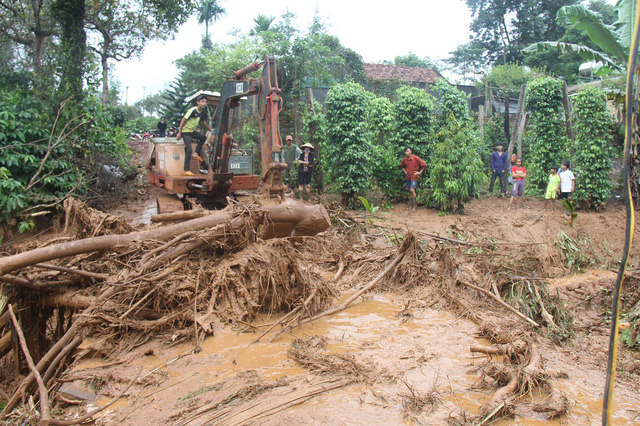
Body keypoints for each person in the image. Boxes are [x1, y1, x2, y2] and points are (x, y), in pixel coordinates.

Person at [176, 94, 212, 176]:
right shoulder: (192, 110)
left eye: (205, 102)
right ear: (198, 102)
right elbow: (183, 120)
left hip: (192, 131)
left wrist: (210, 129)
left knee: (203, 138)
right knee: (188, 150)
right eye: (202, 102)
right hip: (186, 132)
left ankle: (196, 153)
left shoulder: (202, 112)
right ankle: (186, 170)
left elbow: (203, 123)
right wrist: (180, 133)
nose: (204, 103)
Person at [400, 147, 427, 211]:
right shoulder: (404, 160)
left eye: (408, 151)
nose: (407, 152)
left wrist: (419, 172)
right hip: (408, 177)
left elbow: (424, 164)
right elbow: (402, 166)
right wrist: (405, 172)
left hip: (414, 177)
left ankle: (415, 205)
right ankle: (411, 204)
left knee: (412, 190)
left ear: (411, 151)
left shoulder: (416, 158)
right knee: (410, 191)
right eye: (406, 151)